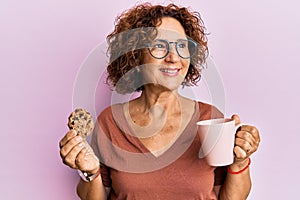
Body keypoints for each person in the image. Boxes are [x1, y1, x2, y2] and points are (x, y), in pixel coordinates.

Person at [59, 3, 260, 200]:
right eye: (159, 46)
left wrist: (239, 161)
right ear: (135, 55)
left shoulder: (211, 119)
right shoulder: (110, 122)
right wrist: (90, 173)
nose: (173, 57)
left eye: (181, 45)